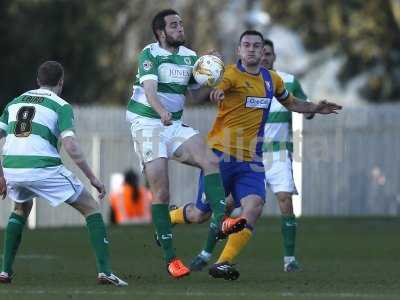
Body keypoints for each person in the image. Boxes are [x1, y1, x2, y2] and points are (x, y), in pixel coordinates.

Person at [168, 30, 341, 280]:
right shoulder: (229, 73)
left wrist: (315, 107)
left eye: (256, 46)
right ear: (239, 51)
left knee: (254, 206)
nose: (251, 49)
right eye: (246, 45)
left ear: (263, 52)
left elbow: (292, 103)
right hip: (221, 157)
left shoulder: (272, 80)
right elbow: (220, 86)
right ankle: (170, 216)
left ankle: (223, 262)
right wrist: (216, 91)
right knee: (200, 214)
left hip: (251, 161)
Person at [126, 9, 246, 279]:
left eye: (181, 23)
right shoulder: (150, 54)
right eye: (174, 25)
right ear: (161, 32)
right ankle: (171, 259)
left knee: (211, 160)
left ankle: (221, 218)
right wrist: (160, 111)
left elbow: (198, 89)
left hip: (174, 125)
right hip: (147, 124)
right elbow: (149, 91)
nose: (181, 28)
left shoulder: (191, 57)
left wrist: (214, 69)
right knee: (162, 191)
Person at [0, 61, 127, 286]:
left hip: (12, 168)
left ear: (38, 81)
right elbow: (70, 146)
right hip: (42, 167)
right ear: (61, 82)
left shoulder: (15, 102)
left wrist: (1, 175)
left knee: (20, 208)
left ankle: (5, 272)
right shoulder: (61, 105)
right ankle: (105, 271)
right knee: (91, 207)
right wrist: (93, 178)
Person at [261, 38, 313, 272]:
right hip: (248, 154)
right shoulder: (243, 81)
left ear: (274, 56)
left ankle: (289, 260)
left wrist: (311, 110)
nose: (264, 57)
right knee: (230, 204)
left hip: (279, 153)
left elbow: (305, 103)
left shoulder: (288, 81)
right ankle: (208, 253)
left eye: (268, 53)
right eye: (261, 53)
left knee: (285, 201)